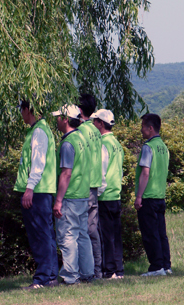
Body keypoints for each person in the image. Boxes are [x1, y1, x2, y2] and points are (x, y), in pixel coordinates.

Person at [14, 99, 59, 290]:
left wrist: (29, 188)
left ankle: (41, 278)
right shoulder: (39, 129)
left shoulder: (39, 131)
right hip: (43, 190)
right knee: (47, 235)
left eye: (21, 110)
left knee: (40, 236)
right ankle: (50, 276)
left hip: (38, 191)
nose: (21, 115)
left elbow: (37, 162)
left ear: (27, 110)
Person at [52, 104, 95, 284]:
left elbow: (66, 173)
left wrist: (58, 200)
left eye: (58, 117)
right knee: (82, 235)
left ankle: (70, 276)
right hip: (83, 193)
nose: (56, 120)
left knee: (67, 236)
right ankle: (87, 272)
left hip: (70, 196)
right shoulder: (82, 138)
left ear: (65, 119)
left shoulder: (68, 143)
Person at [134, 113, 171, 277]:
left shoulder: (148, 147)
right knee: (161, 233)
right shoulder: (164, 147)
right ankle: (165, 265)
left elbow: (145, 173)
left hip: (148, 196)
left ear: (150, 128)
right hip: (160, 195)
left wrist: (138, 196)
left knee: (150, 234)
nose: (141, 130)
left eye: (143, 126)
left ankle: (156, 267)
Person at [91, 109, 125, 279]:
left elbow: (101, 170)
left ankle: (109, 270)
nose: (93, 124)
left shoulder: (103, 143)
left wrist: (97, 193)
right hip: (116, 194)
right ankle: (118, 269)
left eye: (95, 121)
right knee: (116, 236)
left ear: (101, 124)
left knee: (106, 236)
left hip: (105, 196)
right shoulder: (117, 144)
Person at [77, 94, 104, 278]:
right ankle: (97, 270)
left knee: (82, 231)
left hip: (84, 185)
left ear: (79, 110)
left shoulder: (81, 131)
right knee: (92, 230)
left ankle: (86, 270)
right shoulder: (95, 129)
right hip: (95, 184)